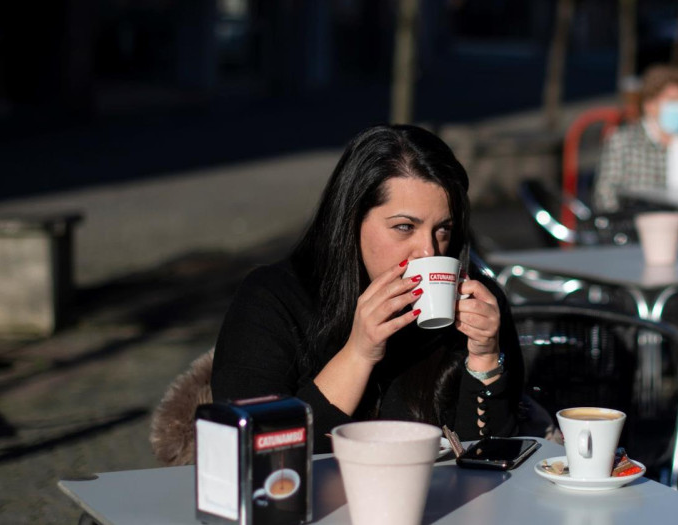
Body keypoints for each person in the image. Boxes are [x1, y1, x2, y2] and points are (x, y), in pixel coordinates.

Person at [211, 125, 524, 452]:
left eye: (442, 229)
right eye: (404, 227)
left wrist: (485, 359)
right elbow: (253, 449)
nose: (428, 251)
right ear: (352, 220)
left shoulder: (476, 303)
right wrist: (358, 354)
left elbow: (492, 461)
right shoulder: (272, 299)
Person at [592, 64, 678, 213]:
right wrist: (626, 220)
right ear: (649, 104)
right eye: (673, 100)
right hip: (638, 221)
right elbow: (605, 193)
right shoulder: (623, 141)